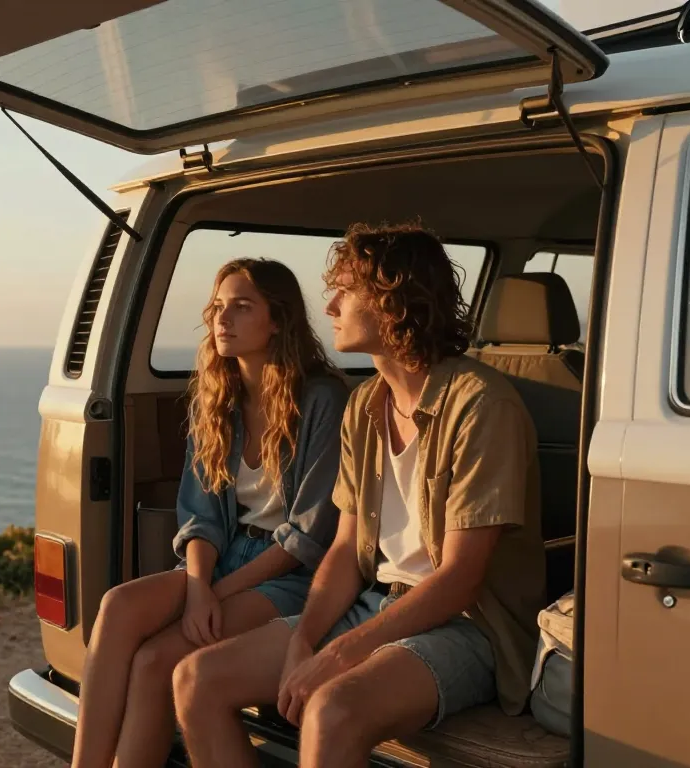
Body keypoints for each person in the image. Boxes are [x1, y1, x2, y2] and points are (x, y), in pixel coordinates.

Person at [173, 223, 546, 768]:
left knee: (331, 709)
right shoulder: (365, 405)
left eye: (345, 290)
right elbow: (346, 550)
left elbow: (461, 577)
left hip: (466, 626)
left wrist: (340, 652)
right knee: (196, 679)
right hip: (375, 604)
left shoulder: (481, 404)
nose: (329, 306)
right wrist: (305, 638)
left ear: (393, 300)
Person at [70, 258, 349, 768]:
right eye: (218, 307)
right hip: (222, 555)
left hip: (289, 573)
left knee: (157, 660)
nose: (223, 319)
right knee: (117, 608)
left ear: (279, 319)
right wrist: (198, 587)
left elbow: (309, 535)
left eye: (242, 307)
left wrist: (215, 594)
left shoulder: (322, 400)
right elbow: (200, 515)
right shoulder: (216, 398)